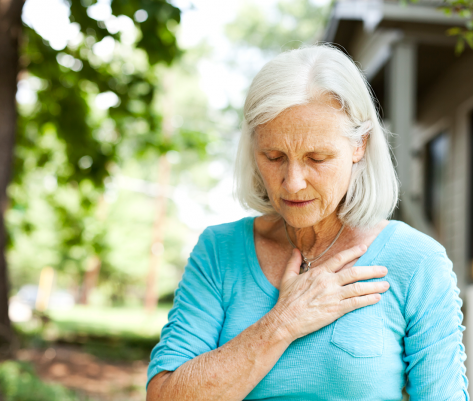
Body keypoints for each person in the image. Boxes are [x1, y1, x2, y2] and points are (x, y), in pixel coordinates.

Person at [146, 44, 469, 400]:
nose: (293, 181)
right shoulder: (220, 251)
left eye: (317, 157)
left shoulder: (417, 261)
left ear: (359, 145)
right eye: (274, 156)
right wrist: (283, 321)